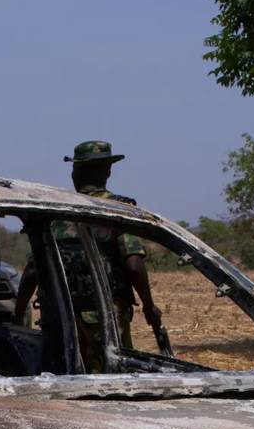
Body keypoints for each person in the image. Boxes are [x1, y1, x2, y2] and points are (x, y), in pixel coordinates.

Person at [14, 140, 171, 356]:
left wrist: (19, 314)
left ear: (76, 172)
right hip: (105, 318)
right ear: (107, 172)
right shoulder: (118, 210)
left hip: (61, 317)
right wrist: (149, 306)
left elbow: (33, 270)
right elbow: (134, 265)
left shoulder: (55, 213)